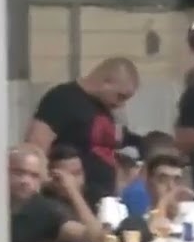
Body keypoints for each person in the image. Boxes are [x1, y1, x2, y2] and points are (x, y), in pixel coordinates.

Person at [24, 57, 140, 206]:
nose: (121, 104)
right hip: (69, 201)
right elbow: (36, 145)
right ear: (106, 82)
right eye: (120, 96)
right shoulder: (63, 98)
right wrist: (48, 183)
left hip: (103, 201)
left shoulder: (104, 108)